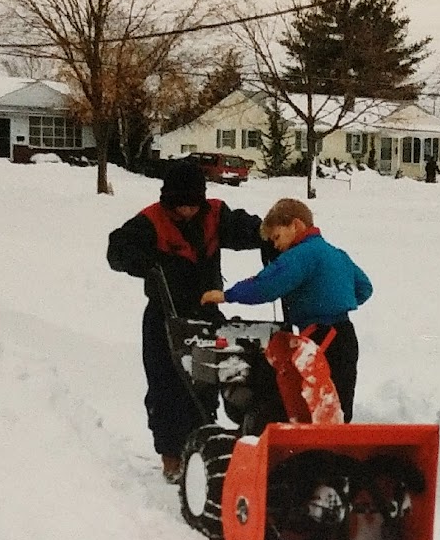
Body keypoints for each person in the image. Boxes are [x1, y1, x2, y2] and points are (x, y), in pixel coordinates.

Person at [107, 160, 266, 482]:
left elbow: (250, 230)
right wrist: (143, 260)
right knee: (166, 388)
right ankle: (171, 455)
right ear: (168, 199)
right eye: (181, 206)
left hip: (206, 314)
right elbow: (116, 250)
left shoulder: (216, 215)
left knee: (205, 383)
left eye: (193, 205)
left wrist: (270, 235)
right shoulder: (150, 221)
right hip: (164, 317)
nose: (188, 212)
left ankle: (202, 447)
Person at [201, 198, 372, 422]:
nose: (275, 245)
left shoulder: (300, 255)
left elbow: (268, 285)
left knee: (302, 404)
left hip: (319, 338)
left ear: (295, 225)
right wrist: (334, 298)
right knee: (336, 407)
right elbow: (364, 288)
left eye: (277, 237)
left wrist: (226, 295)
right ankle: (334, 450)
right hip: (345, 336)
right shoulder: (337, 253)